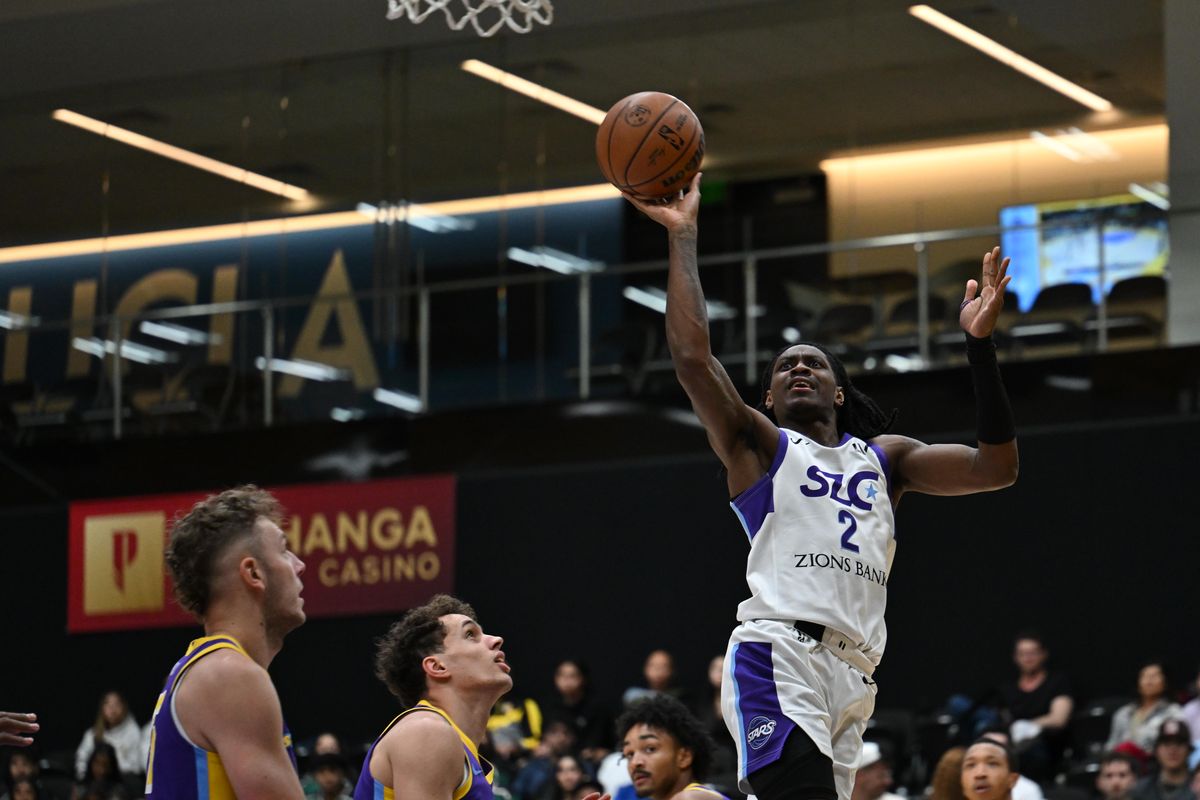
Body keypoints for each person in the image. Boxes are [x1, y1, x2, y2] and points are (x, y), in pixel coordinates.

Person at [626, 174, 1018, 800]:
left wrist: (979, 346)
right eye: (785, 366)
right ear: (768, 396)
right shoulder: (759, 446)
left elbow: (996, 468)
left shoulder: (888, 460)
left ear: (839, 391)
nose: (799, 367)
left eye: (814, 362)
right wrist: (684, 235)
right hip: (779, 653)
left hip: (855, 675)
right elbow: (693, 359)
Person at [355, 594, 609, 800]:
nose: (496, 640)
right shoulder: (426, 731)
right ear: (438, 667)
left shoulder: (463, 752)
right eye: (470, 635)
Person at [144, 485, 307, 799]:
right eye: (284, 550)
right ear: (253, 573)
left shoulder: (203, 669)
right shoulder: (230, 677)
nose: (299, 564)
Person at [617, 695, 729, 800]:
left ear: (684, 757)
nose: (635, 763)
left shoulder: (690, 797)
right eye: (629, 754)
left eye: (650, 749)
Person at [998, 633, 1072, 783]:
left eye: (1032, 653)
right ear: (1015, 657)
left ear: (1043, 654)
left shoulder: (1057, 682)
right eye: (1023, 654)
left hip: (1046, 747)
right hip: (1012, 745)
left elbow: (1059, 719)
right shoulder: (1007, 689)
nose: (1028, 658)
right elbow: (1003, 719)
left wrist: (1029, 726)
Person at [542, 659, 615, 764]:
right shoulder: (551, 707)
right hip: (556, 760)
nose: (566, 680)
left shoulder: (596, 708)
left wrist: (599, 752)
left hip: (589, 761)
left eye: (572, 676)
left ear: (582, 678)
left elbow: (601, 744)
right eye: (561, 675)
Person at [1107, 663, 1184, 754]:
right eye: (1144, 676)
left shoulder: (1173, 712)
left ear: (1165, 683)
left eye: (1155, 675)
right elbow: (1111, 746)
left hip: (1155, 764)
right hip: (1125, 764)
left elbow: (1176, 745)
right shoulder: (1124, 713)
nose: (1149, 680)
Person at [73, 692, 141, 781]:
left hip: (122, 783)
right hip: (94, 783)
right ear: (102, 708)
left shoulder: (133, 732)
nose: (112, 709)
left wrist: (112, 767)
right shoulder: (93, 734)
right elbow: (81, 758)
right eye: (108, 704)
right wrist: (84, 779)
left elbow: (137, 767)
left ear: (124, 707)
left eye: (117, 704)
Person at [1131, 720, 1195, 800]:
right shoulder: (1141, 790)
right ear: (1156, 750)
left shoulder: (1197, 789)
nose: (1173, 750)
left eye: (1179, 743)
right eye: (1166, 743)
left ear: (1188, 750)